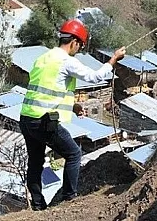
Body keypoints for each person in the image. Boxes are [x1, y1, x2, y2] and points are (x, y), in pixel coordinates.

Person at [19, 18, 125, 210]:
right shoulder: (66, 61)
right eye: (80, 46)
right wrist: (113, 59)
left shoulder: (43, 57)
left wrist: (73, 106)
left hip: (27, 118)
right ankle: (69, 198)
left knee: (35, 161)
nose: (79, 49)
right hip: (44, 121)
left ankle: (37, 204)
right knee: (74, 154)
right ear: (74, 42)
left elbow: (48, 90)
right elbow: (95, 77)